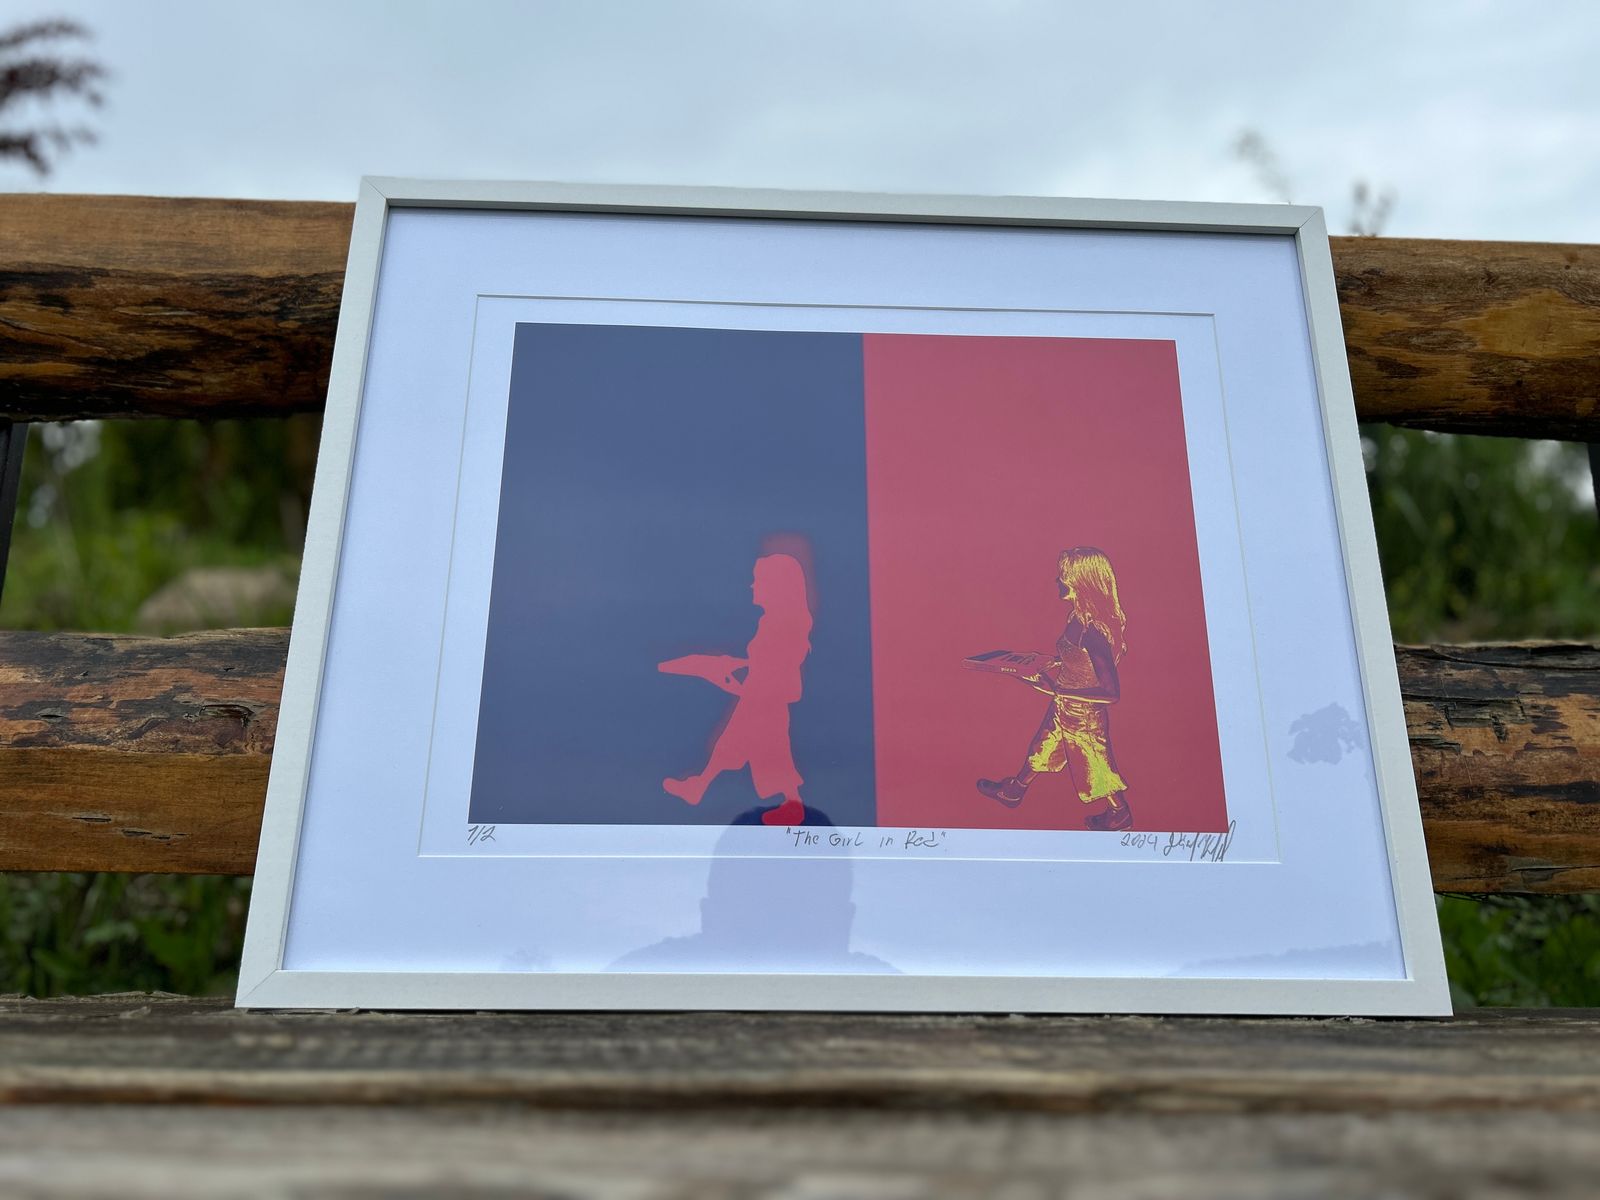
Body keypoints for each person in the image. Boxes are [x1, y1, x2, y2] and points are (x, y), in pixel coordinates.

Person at [977, 546, 1133, 831]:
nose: (1057, 580)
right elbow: (1078, 658)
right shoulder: (1076, 617)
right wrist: (1045, 662)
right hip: (1065, 705)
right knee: (1043, 746)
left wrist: (1051, 690)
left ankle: (1120, 813)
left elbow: (1111, 693)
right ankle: (1014, 791)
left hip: (1084, 715)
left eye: (1063, 575)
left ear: (1080, 581)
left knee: (1097, 766)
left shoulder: (1094, 632)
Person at [661, 553, 812, 825]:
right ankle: (699, 786)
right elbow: (766, 662)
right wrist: (738, 668)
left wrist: (735, 683)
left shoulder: (783, 624)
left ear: (776, 586)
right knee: (737, 746)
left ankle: (792, 805)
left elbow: (776, 666)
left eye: (758, 580)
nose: (753, 586)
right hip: (761, 697)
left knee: (769, 753)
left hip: (766, 700)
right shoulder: (775, 622)